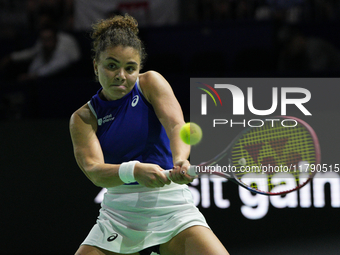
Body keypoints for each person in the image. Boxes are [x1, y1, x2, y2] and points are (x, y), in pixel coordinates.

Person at [69, 14, 229, 255]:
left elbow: (176, 126)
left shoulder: (150, 83)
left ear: (138, 68)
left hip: (173, 210)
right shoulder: (83, 118)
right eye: (111, 65)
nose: (121, 75)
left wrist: (180, 160)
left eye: (130, 68)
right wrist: (133, 170)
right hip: (119, 217)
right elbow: (94, 171)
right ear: (95, 66)